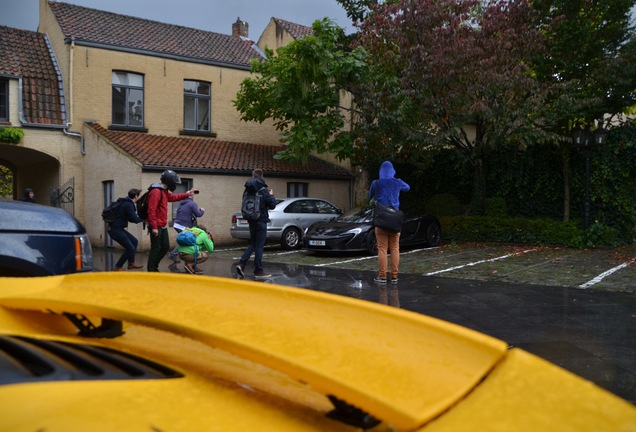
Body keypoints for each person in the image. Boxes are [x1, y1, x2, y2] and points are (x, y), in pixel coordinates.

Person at [368, 161, 410, 284]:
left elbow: (370, 197)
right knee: (395, 248)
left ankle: (382, 276)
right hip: (395, 220)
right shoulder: (397, 182)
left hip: (381, 219)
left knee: (382, 249)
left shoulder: (376, 183)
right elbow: (408, 188)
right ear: (393, 171)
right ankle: (395, 276)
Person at [146, 170, 196, 272]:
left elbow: (173, 197)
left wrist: (187, 194)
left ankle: (154, 265)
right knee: (155, 248)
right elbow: (151, 210)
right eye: (173, 182)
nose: (174, 184)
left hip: (162, 224)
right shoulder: (156, 192)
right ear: (169, 181)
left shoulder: (163, 191)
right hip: (156, 225)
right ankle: (151, 269)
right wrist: (154, 227)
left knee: (165, 247)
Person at [236, 168, 277, 279]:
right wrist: (271, 195)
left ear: (253, 176)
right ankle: (258, 271)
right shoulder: (263, 190)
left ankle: (241, 264)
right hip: (261, 220)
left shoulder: (247, 189)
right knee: (259, 246)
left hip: (251, 219)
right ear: (262, 176)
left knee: (253, 244)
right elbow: (272, 205)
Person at [108, 188, 144, 271]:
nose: (140, 197)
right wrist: (143, 218)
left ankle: (131, 264)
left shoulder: (124, 202)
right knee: (130, 248)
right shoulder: (128, 204)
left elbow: (131, 218)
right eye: (139, 196)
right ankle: (118, 267)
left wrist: (139, 219)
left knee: (134, 241)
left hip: (116, 228)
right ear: (136, 196)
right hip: (115, 230)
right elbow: (135, 219)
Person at [169, 194, 205, 262]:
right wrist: (202, 210)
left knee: (184, 240)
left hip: (177, 224)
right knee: (187, 239)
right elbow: (198, 214)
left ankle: (175, 254)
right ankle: (174, 254)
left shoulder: (181, 204)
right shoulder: (192, 203)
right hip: (183, 225)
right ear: (191, 197)